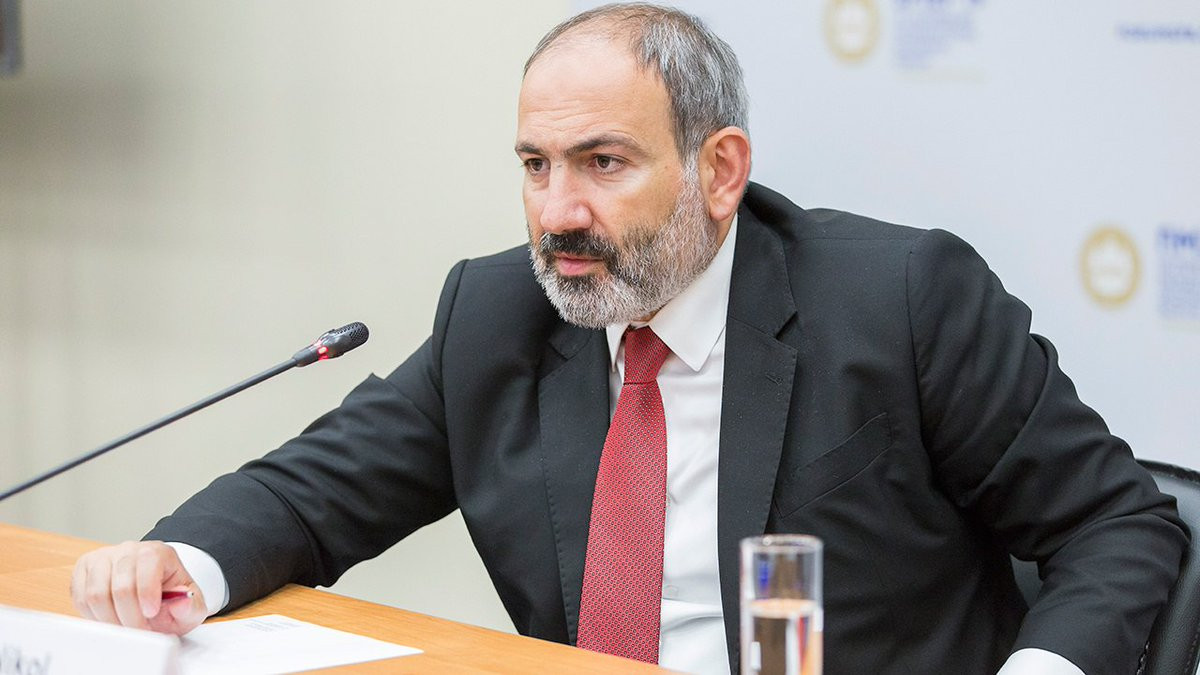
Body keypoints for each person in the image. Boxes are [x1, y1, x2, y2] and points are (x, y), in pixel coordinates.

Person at [71, 4, 1187, 674]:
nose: (558, 212)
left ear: (720, 170)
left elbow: (1114, 525)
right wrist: (181, 562)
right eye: (535, 166)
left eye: (603, 163)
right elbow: (314, 494)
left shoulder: (898, 298)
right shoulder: (498, 315)